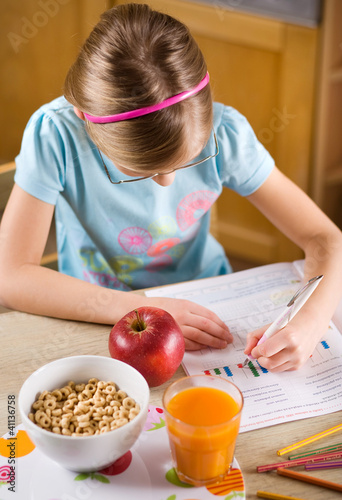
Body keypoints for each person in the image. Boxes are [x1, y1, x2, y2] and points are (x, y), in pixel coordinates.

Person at [0, 4, 341, 372]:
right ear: (84, 115)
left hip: (209, 302)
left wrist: (311, 319)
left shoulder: (225, 135)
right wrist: (138, 308)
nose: (167, 182)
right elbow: (12, 276)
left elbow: (326, 238)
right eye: (140, 171)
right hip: (95, 310)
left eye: (187, 161)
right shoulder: (55, 137)